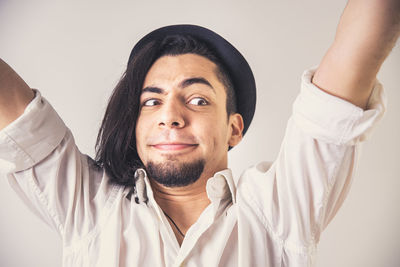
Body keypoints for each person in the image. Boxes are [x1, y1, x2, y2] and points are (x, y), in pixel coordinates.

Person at [0, 0, 399, 266]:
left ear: (234, 128)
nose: (170, 117)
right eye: (151, 101)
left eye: (197, 100)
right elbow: (19, 117)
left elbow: (361, 45)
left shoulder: (278, 210)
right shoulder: (89, 206)